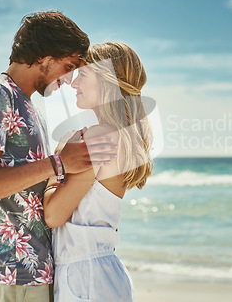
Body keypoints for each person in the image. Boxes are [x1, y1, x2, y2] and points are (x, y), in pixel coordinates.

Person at [0, 11, 117, 302]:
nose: (69, 80)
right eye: (68, 66)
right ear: (44, 56)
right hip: (9, 276)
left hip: (36, 275)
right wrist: (59, 163)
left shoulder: (29, 106)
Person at [43, 42, 153, 302]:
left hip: (85, 280)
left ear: (107, 81)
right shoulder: (120, 134)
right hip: (101, 275)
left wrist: (55, 168)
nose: (73, 83)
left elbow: (54, 215)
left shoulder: (97, 136)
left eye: (82, 74)